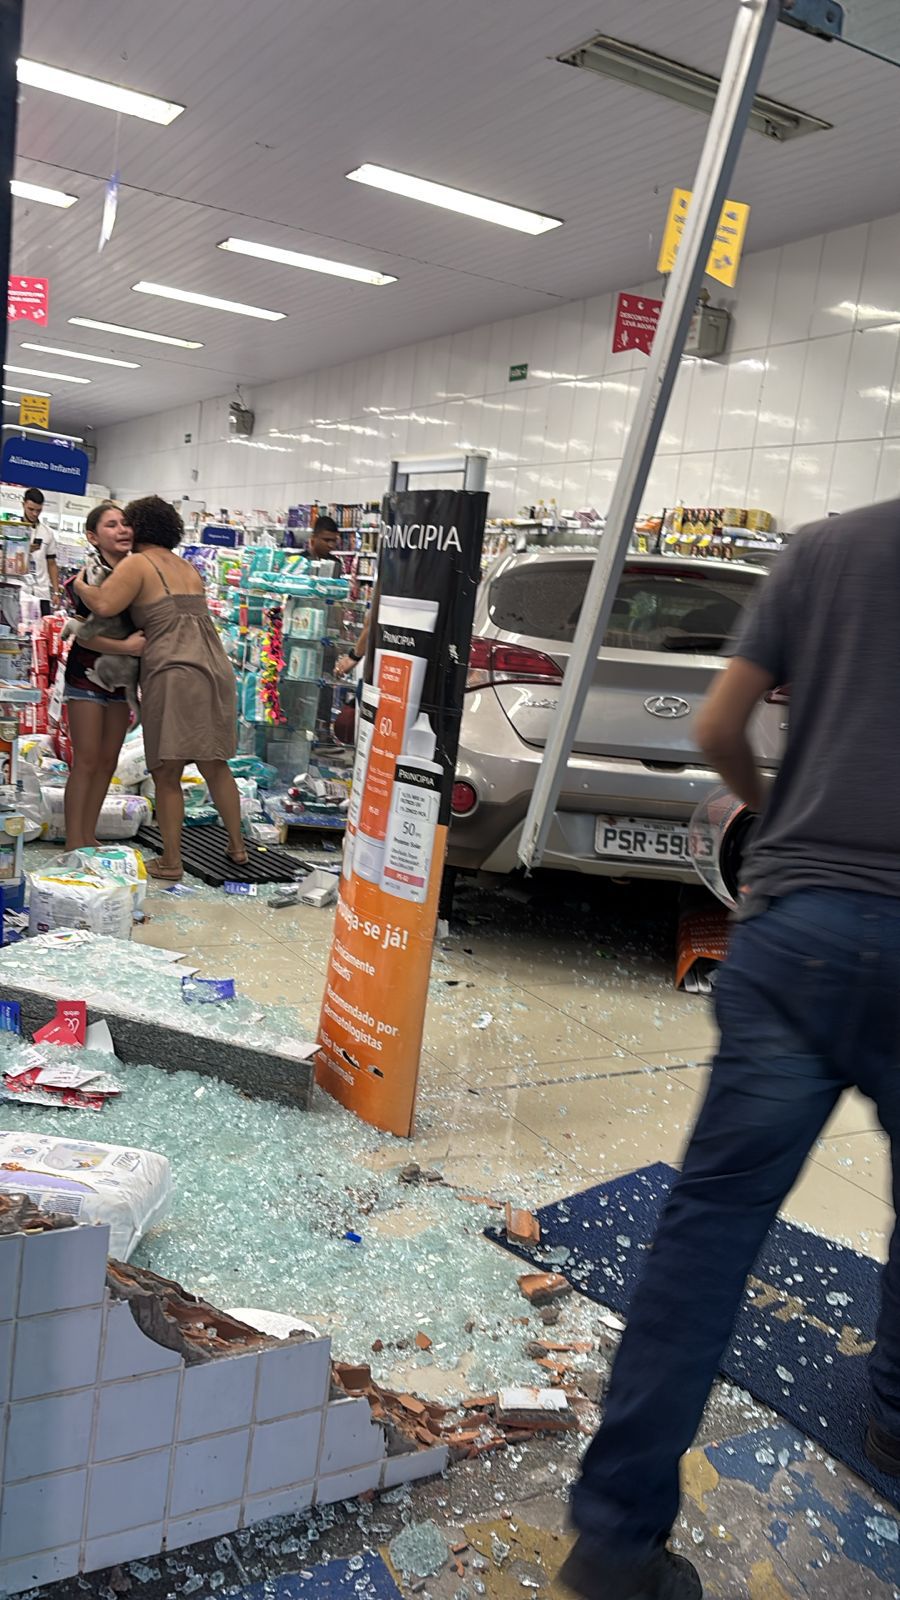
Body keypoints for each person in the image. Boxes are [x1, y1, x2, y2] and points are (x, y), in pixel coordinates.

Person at [561, 498, 900, 1600]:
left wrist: (782, 812)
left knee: (705, 1237)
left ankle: (612, 1546)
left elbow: (717, 730)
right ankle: (893, 1422)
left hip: (793, 928)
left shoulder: (829, 548)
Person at [75, 495, 247, 881]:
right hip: (215, 667)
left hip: (174, 670)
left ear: (137, 528)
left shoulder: (139, 563)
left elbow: (103, 604)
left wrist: (81, 585)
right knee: (215, 764)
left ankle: (171, 862)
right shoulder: (187, 566)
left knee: (166, 772)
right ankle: (237, 846)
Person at [62, 502, 145, 850]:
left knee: (108, 760)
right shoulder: (90, 578)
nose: (122, 530)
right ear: (93, 537)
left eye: (125, 523)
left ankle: (87, 835)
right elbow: (80, 633)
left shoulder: (138, 571)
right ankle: (72, 840)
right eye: (111, 525)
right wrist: (126, 647)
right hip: (87, 676)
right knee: (87, 759)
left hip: (121, 682)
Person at [22, 488, 60, 614]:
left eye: (38, 510)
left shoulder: (47, 533)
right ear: (23, 505)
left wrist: (55, 592)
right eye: (31, 509)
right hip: (19, 590)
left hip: (42, 592)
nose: (34, 514)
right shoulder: (12, 527)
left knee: (42, 630)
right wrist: (25, 549)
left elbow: (52, 563)